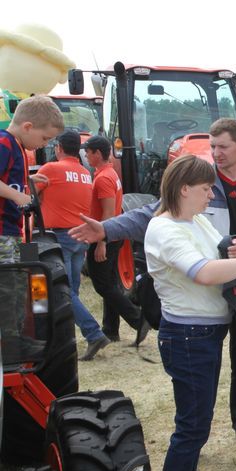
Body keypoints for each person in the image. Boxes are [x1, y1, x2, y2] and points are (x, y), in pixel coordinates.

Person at [69, 118, 236, 450]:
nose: (216, 153)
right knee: (203, 374)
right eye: (212, 146)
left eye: (223, 146)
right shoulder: (196, 183)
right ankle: (193, 434)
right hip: (210, 292)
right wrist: (106, 229)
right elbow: (149, 214)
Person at [145, 154, 236, 471]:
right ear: (184, 189)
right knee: (192, 426)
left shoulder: (193, 220)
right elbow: (202, 272)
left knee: (197, 419)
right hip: (188, 337)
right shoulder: (165, 230)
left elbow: (218, 250)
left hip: (202, 335)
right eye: (205, 189)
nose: (210, 195)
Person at [37, 130, 111, 361]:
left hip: (59, 237)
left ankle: (93, 333)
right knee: (72, 291)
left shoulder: (50, 169)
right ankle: (69, 338)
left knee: (64, 293)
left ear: (58, 148)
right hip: (81, 237)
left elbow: (31, 194)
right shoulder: (85, 172)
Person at [0, 95, 63, 357]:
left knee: (19, 283)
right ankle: (11, 343)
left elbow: (8, 176)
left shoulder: (16, 147)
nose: (44, 144)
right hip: (3, 231)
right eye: (44, 138)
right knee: (9, 287)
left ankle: (17, 337)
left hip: (14, 230)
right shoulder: (4, 143)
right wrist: (18, 196)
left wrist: (28, 179)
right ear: (27, 127)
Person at [82, 135, 148, 347]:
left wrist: (101, 242)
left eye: (88, 152)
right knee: (109, 283)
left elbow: (109, 212)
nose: (86, 155)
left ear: (97, 154)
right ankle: (111, 330)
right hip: (111, 234)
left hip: (105, 235)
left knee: (102, 285)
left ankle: (138, 320)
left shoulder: (103, 178)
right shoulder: (109, 173)